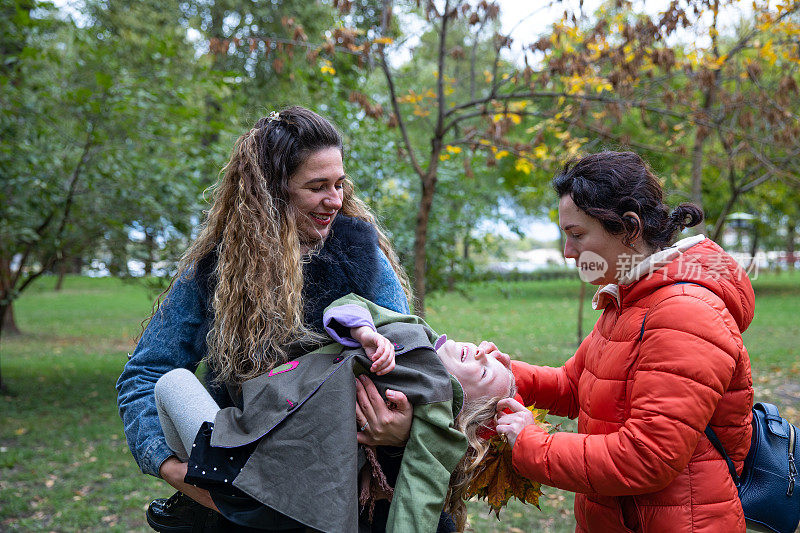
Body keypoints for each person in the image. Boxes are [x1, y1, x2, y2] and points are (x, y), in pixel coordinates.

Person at [115, 107, 417, 530]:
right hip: (242, 482)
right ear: (272, 191)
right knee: (173, 385)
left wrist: (400, 432)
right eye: (317, 187)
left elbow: (411, 362)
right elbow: (147, 373)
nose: (336, 200)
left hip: (351, 491)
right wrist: (169, 466)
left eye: (339, 184)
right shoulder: (217, 268)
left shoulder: (360, 253)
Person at [495, 151, 755, 532]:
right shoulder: (630, 300)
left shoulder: (684, 313)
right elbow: (574, 386)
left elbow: (648, 456)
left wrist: (529, 443)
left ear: (629, 228)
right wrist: (499, 372)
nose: (568, 252)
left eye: (577, 235)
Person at [153, 293, 516, 532]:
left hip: (267, 470)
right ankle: (198, 487)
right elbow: (352, 303)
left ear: (465, 409)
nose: (482, 353)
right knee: (171, 384)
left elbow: (420, 492)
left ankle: (204, 484)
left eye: (484, 373)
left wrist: (404, 438)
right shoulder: (416, 329)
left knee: (172, 383)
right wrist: (365, 330)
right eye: (488, 355)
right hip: (259, 429)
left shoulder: (436, 405)